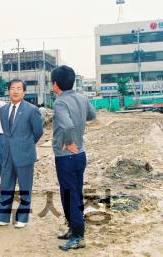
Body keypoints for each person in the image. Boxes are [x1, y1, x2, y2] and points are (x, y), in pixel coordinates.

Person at [51, 65, 96, 251]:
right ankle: (73, 228)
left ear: (55, 84)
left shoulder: (60, 102)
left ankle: (78, 236)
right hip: (80, 155)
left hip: (67, 156)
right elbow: (92, 115)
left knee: (70, 195)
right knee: (72, 193)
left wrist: (69, 141)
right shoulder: (82, 98)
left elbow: (67, 126)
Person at [0, 79, 43, 229]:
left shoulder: (31, 109)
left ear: (24, 92)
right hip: (7, 154)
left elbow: (38, 132)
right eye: (13, 88)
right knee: (6, 185)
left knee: (25, 187)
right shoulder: (3, 109)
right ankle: (2, 217)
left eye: (19, 88)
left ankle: (22, 218)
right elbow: (7, 132)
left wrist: (25, 144)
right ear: (8, 91)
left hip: (25, 154)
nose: (15, 91)